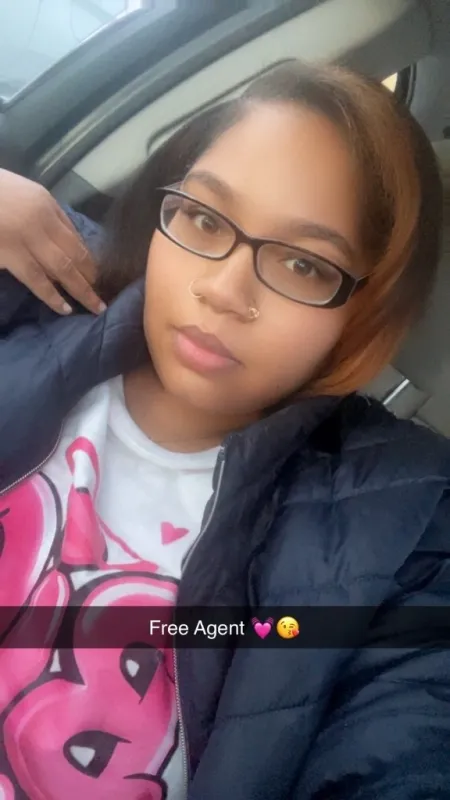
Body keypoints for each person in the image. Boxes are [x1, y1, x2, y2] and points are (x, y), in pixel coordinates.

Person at [0, 60, 449, 800]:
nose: (224, 289)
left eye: (304, 265)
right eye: (205, 219)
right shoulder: (38, 287)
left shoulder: (407, 524)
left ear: (366, 310)